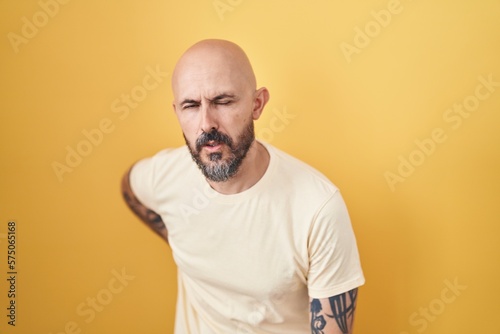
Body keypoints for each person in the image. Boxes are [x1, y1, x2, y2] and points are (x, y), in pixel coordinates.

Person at [121, 39, 365, 334]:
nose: (206, 123)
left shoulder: (317, 208)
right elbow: (130, 187)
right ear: (177, 113)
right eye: (191, 106)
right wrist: (176, 235)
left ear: (257, 104)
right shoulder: (167, 174)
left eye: (223, 101)